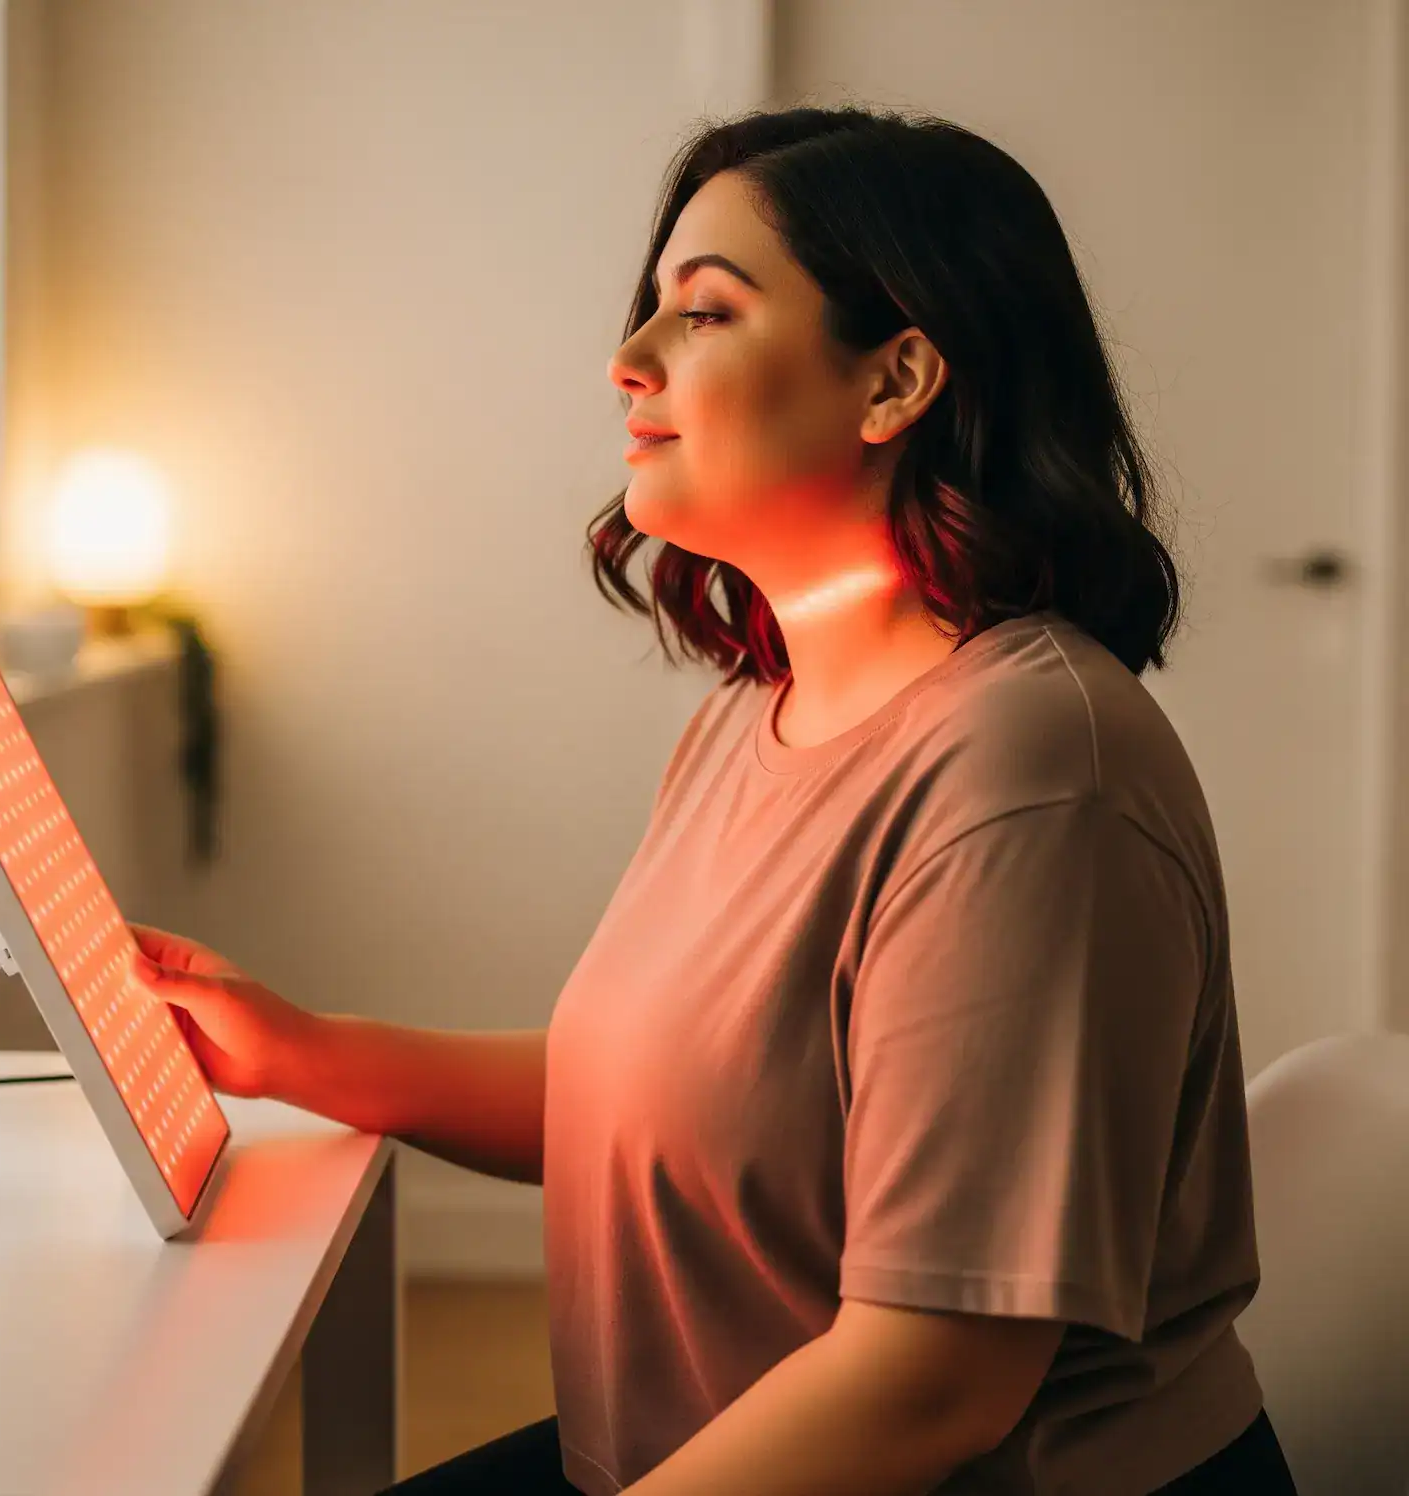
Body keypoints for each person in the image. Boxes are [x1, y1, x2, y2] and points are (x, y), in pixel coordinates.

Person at [130, 105, 1301, 1495]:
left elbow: (926, 1386)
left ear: (897, 380)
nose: (626, 363)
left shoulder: (1031, 773)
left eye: (704, 313)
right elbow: (662, 1098)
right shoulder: (756, 716)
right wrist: (302, 1052)